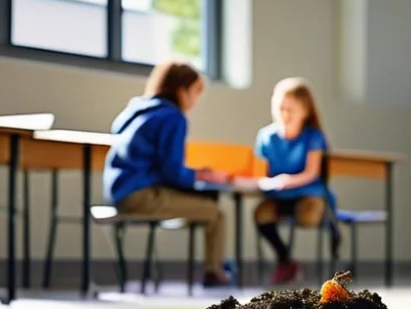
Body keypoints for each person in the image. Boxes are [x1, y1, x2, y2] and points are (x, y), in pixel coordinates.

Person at [104, 60, 233, 287]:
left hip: (119, 191)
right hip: (140, 194)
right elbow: (173, 172)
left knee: (202, 204)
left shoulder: (137, 110)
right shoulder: (173, 118)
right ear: (181, 90)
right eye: (195, 92)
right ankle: (214, 273)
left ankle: (213, 269)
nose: (196, 100)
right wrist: (201, 176)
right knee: (215, 213)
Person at [253, 77, 334, 285]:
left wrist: (289, 180)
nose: (285, 114)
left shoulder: (313, 137)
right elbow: (259, 173)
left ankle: (331, 227)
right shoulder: (265, 136)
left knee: (308, 216)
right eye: (281, 108)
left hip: (308, 194)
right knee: (261, 214)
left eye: (291, 109)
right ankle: (285, 259)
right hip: (277, 196)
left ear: (305, 111)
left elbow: (312, 173)